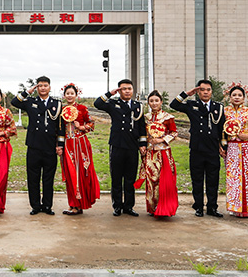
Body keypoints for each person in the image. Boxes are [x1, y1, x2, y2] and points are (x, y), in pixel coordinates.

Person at [170, 80, 226, 217]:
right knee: (197, 180)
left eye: (208, 89)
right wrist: (187, 94)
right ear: (198, 92)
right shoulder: (191, 105)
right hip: (197, 149)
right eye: (202, 90)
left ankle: (212, 207)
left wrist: (223, 146)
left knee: (213, 180)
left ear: (212, 91)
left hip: (212, 149)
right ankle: (199, 207)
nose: (205, 92)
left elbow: (222, 129)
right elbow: (174, 105)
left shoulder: (218, 107)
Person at [11, 76, 64, 215]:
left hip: (50, 146)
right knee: (33, 178)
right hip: (34, 146)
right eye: (40, 85)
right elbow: (14, 102)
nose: (43, 88)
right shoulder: (30, 102)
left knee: (48, 178)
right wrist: (27, 91)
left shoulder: (57, 104)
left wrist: (60, 144)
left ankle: (47, 206)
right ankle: (35, 205)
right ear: (37, 88)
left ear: (49, 87)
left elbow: (60, 126)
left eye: (45, 85)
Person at [94, 79, 147, 216]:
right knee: (116, 178)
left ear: (133, 90)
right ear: (119, 90)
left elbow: (142, 127)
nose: (127, 91)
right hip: (117, 145)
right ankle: (117, 206)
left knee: (130, 178)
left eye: (129, 88)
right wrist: (110, 93)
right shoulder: (113, 104)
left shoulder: (138, 106)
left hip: (132, 146)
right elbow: (97, 104)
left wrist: (142, 144)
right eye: (124, 89)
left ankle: (129, 206)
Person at [58, 83, 100, 215]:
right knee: (70, 174)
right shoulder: (62, 110)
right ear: (64, 95)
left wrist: (81, 127)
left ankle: (80, 204)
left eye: (72, 93)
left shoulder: (82, 108)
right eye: (67, 93)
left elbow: (92, 124)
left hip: (80, 144)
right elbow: (59, 129)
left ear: (76, 95)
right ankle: (73, 204)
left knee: (81, 173)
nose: (70, 96)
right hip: (67, 144)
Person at [135, 90, 178, 217]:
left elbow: (174, 133)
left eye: (156, 101)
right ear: (148, 103)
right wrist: (142, 145)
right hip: (149, 152)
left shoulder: (167, 117)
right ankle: (152, 207)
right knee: (150, 179)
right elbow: (142, 133)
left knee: (163, 180)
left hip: (163, 152)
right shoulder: (146, 117)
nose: (154, 103)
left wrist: (161, 139)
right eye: (151, 101)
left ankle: (164, 207)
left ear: (161, 102)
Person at [222, 84, 248, 218]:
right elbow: (220, 131)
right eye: (234, 95)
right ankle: (234, 207)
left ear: (244, 98)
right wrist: (222, 146)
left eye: (239, 95)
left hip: (246, 147)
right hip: (231, 147)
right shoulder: (224, 111)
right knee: (233, 177)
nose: (237, 97)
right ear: (230, 97)